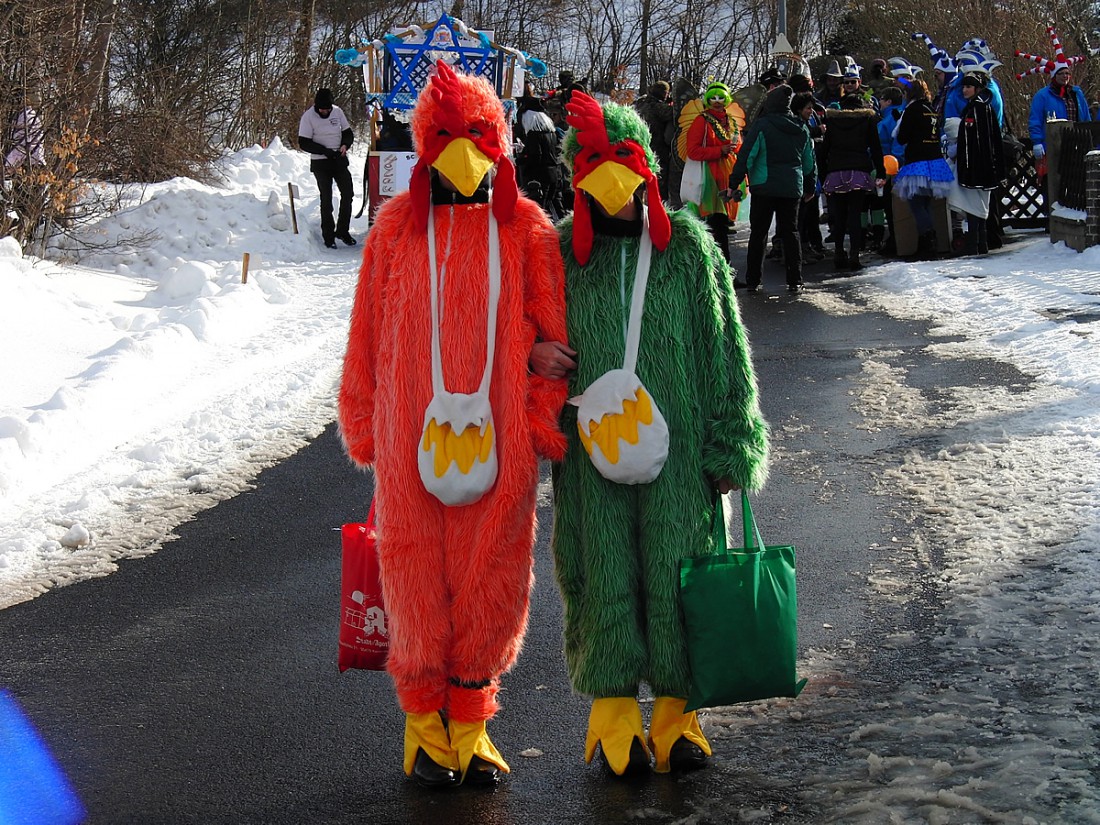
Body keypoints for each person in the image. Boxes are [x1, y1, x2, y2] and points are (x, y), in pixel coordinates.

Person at [337, 61, 570, 789]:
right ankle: (421, 721)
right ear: (424, 144)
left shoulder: (526, 228)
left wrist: (537, 416)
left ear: (497, 140)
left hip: (499, 436)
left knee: (492, 573)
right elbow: (367, 327)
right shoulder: (396, 228)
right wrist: (364, 416)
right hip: (411, 434)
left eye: (476, 135)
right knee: (413, 573)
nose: (462, 153)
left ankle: (470, 721)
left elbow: (552, 335)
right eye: (446, 137)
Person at [552, 90, 769, 777]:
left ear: (646, 167)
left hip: (680, 456)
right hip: (592, 455)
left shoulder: (689, 249)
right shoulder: (559, 254)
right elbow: (525, 336)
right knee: (601, 570)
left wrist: (734, 437)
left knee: (682, 568)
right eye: (594, 168)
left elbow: (725, 343)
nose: (612, 187)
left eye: (621, 164)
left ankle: (679, 714)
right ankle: (613, 712)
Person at [728, 84, 817, 293]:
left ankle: (753, 280)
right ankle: (795, 280)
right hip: (791, 187)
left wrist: (734, 183)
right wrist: (810, 185)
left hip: (764, 186)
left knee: (758, 233)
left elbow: (746, 156)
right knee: (791, 232)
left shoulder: (762, 125)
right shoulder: (801, 127)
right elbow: (809, 162)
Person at [819, 93, 885, 271]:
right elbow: (876, 147)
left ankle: (839, 253)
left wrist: (824, 174)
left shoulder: (833, 122)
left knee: (839, 215)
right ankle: (854, 254)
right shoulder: (867, 120)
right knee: (855, 215)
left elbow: (824, 150)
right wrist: (881, 171)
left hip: (835, 172)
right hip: (858, 171)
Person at [944, 73, 1005, 255]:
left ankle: (976, 244)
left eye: (968, 87)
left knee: (975, 206)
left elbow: (977, 141)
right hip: (980, 166)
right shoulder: (978, 108)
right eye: (963, 87)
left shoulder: (978, 109)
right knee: (977, 206)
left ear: (976, 89)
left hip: (978, 167)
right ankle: (979, 243)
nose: (964, 90)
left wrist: (969, 163)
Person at [894, 78, 954, 259]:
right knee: (926, 203)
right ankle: (928, 242)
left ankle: (928, 240)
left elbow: (902, 138)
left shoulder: (911, 110)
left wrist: (899, 121)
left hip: (917, 161)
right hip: (935, 161)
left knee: (916, 203)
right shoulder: (932, 110)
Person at [685, 81, 741, 262]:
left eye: (721, 97)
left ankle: (723, 269)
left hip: (729, 179)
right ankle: (723, 270)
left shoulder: (731, 121)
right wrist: (719, 151)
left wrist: (735, 150)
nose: (717, 101)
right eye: (713, 98)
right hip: (710, 181)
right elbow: (692, 150)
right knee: (717, 227)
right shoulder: (701, 121)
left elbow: (740, 146)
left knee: (723, 227)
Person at [298, 88, 356, 248]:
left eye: (327, 109)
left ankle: (343, 230)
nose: (325, 111)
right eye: (322, 109)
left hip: (339, 159)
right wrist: (324, 151)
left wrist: (345, 145)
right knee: (326, 197)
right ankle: (328, 235)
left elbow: (348, 133)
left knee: (348, 194)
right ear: (317, 107)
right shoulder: (308, 117)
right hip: (321, 162)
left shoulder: (337, 112)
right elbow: (303, 142)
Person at [516, 105, 565, 219]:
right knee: (548, 208)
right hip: (554, 174)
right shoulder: (552, 133)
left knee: (537, 210)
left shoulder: (534, 135)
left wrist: (518, 160)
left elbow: (535, 157)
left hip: (539, 177)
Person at [633, 81, 675, 198]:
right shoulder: (658, 107)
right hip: (657, 149)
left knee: (639, 181)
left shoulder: (640, 103)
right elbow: (674, 114)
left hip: (638, 148)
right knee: (659, 183)